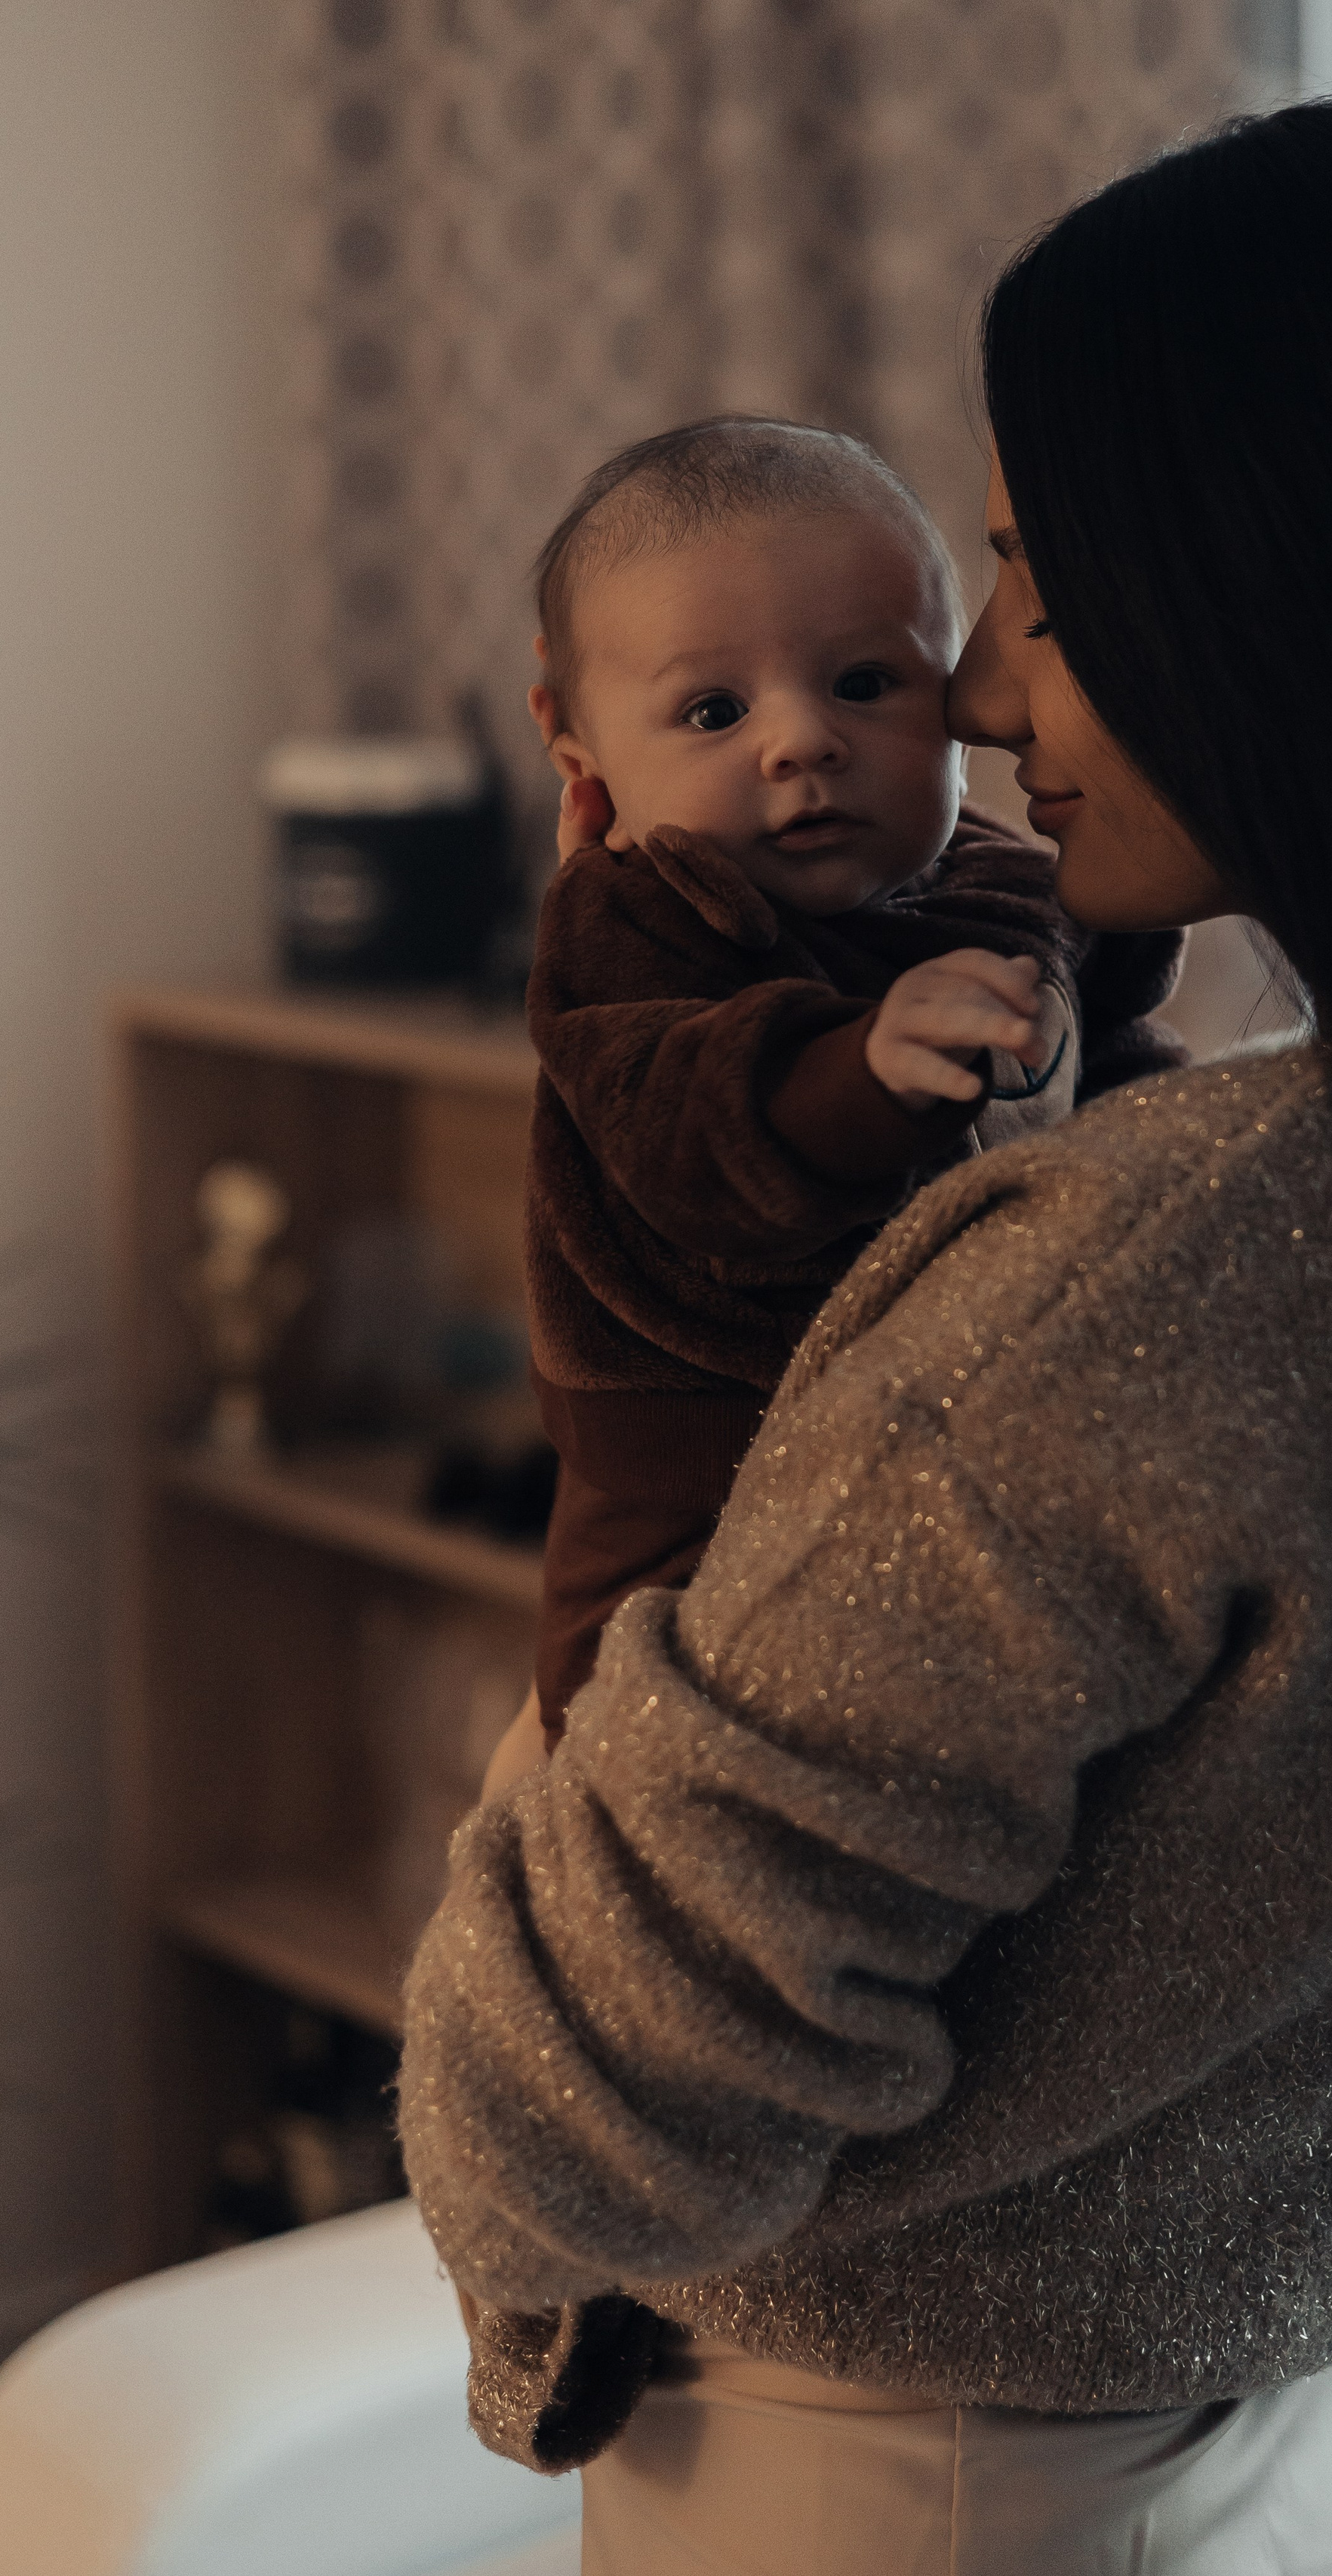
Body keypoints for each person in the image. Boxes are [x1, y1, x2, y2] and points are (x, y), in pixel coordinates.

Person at [400, 99, 1332, 2574]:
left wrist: (522, 1805)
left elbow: (569, 2099)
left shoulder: (1158, 1275)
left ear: (1271, 603)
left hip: (927, 2483)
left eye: (1035, 579)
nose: (961, 687)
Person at [518, 417, 1183, 1747]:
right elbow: (686, 1132)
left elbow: (1118, 1061)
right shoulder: (637, 922)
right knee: (665, 1783)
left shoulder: (1005, 880)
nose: (800, 744)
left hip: (951, 1481)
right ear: (573, 740)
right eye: (715, 711)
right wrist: (862, 1074)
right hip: (700, 1508)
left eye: (868, 683)